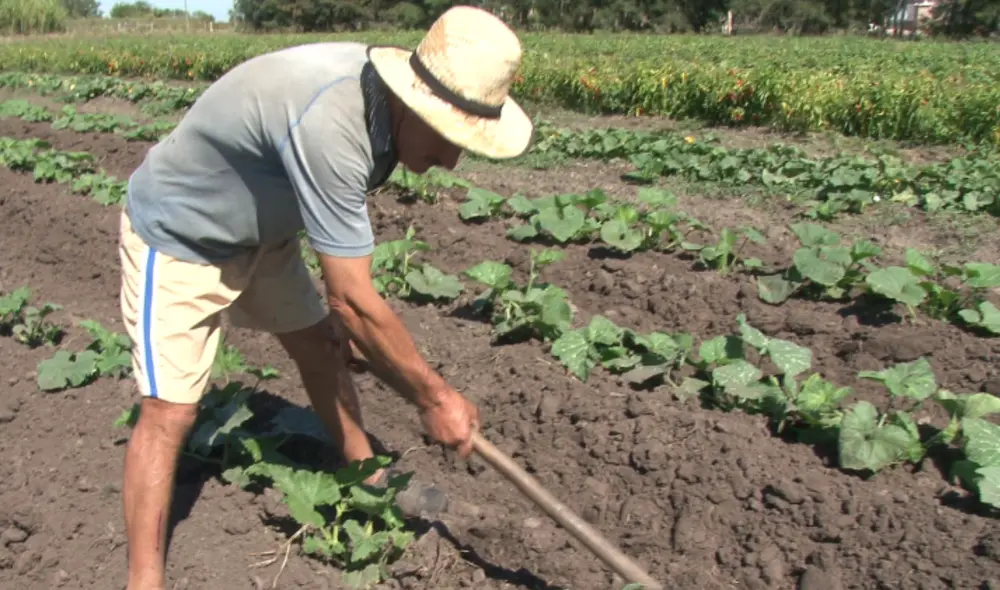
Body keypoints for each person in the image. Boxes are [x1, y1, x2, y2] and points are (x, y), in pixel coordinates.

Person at [116, 6, 534, 589]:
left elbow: (343, 278)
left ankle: (364, 478)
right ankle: (143, 579)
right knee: (171, 411)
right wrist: (433, 398)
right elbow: (355, 300)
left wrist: (363, 337)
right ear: (413, 104)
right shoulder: (333, 119)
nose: (450, 158)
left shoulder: (381, 109)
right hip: (185, 234)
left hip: (266, 234)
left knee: (320, 347)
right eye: (447, 136)